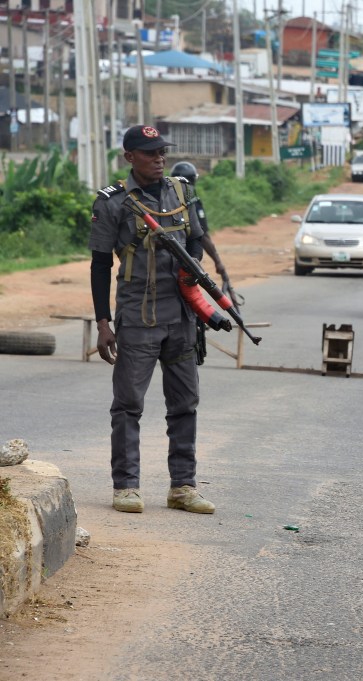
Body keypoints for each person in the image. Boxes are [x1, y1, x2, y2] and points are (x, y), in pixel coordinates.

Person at [89, 125, 216, 515]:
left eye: (162, 151)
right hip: (139, 319)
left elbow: (197, 238)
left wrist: (193, 277)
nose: (158, 158)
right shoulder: (112, 203)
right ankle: (126, 486)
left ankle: (183, 487)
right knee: (128, 405)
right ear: (129, 157)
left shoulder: (181, 191)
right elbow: (99, 264)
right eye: (149, 153)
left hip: (180, 319)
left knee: (185, 404)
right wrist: (104, 323)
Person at [169, 161, 242, 308]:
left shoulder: (165, 200)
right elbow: (202, 236)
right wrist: (218, 262)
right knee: (193, 301)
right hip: (186, 263)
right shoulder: (190, 200)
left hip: (167, 265)